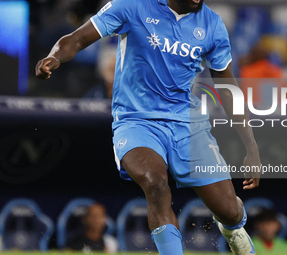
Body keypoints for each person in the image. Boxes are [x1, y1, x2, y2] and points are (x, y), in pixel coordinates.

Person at [35, 0, 262, 254]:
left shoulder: (212, 24)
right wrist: (54, 56)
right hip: (136, 121)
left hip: (187, 124)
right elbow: (77, 39)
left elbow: (228, 89)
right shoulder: (132, 6)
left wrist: (251, 146)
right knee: (155, 183)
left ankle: (231, 227)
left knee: (229, 211)